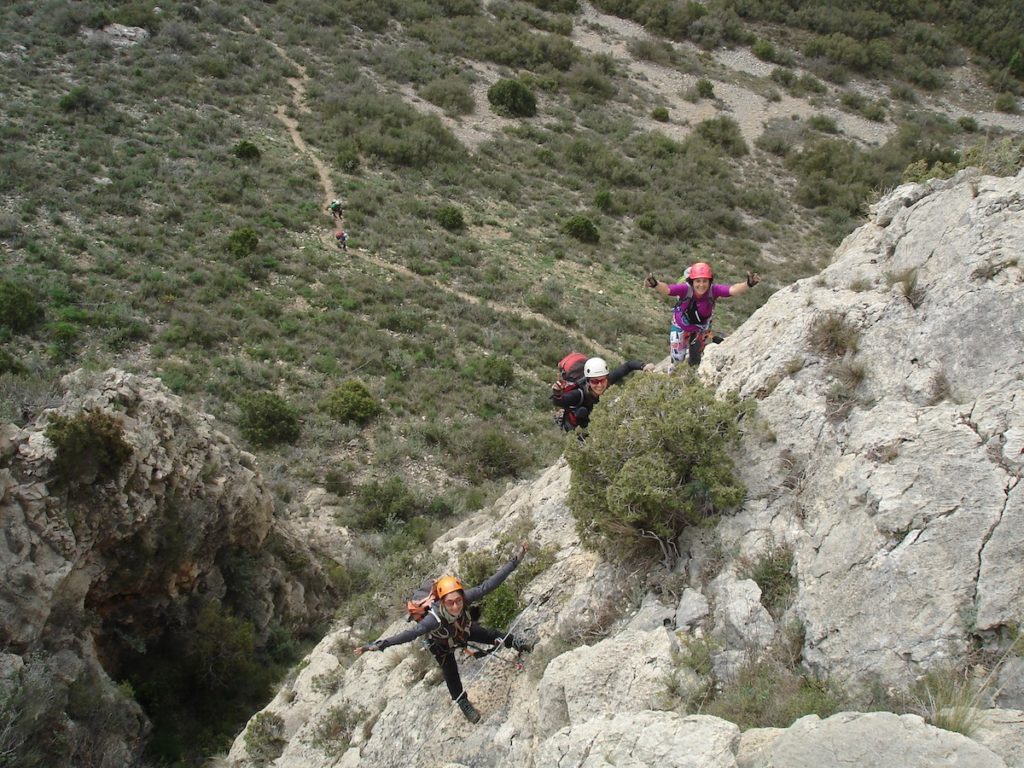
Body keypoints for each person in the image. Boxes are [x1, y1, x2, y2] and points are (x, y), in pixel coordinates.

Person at [355, 542, 533, 724]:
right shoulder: (433, 619)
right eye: (450, 603)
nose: (456, 606)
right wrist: (381, 644)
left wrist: (515, 561)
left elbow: (489, 585)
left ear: (461, 596)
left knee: (490, 634)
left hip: (462, 630)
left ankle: (516, 643)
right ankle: (463, 702)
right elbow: (411, 634)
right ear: (442, 601)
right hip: (441, 646)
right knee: (451, 674)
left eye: (458, 600)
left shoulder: (465, 598)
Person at [645, 262, 761, 368]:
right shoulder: (685, 289)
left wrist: (748, 284)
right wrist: (655, 284)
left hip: (701, 328)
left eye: (705, 281)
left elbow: (732, 290)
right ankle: (673, 376)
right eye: (698, 281)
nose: (701, 285)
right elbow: (668, 290)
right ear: (692, 282)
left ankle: (691, 378)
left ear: (709, 282)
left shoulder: (714, 290)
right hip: (681, 325)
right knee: (677, 358)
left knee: (696, 357)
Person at [551, 356, 651, 434]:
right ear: (588, 381)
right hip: (579, 428)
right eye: (594, 381)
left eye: (602, 380)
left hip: (597, 419)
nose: (599, 385)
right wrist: (557, 393)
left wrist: (643, 366)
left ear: (606, 378)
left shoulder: (608, 381)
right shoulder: (579, 394)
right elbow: (559, 401)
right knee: (583, 412)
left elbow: (628, 366)